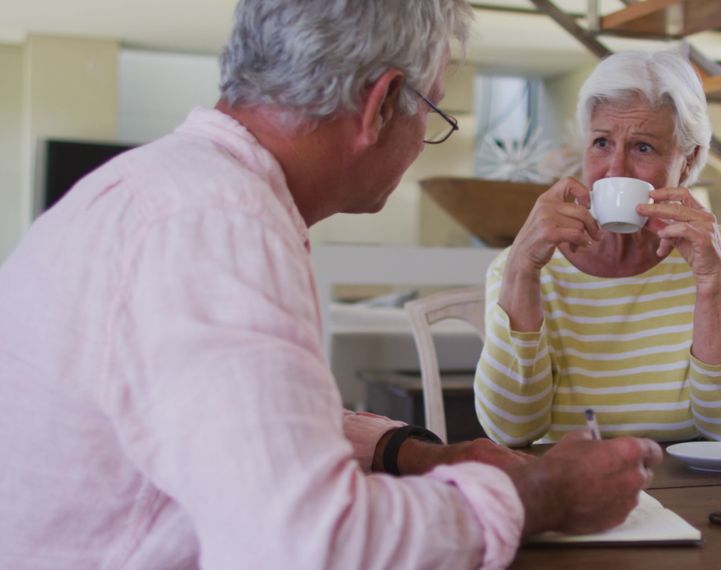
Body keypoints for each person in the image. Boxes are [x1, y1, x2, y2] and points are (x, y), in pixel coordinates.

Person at [0, 2, 662, 568]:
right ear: (381, 105)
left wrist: (405, 452)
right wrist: (541, 495)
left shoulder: (169, 188)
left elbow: (228, 415)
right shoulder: (219, 225)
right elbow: (314, 546)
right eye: (430, 110)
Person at [475, 50, 721, 447]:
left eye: (643, 148)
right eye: (601, 142)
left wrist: (710, 283)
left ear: (688, 161)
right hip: (567, 492)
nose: (615, 169)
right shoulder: (523, 266)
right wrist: (521, 270)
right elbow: (510, 430)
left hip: (688, 492)